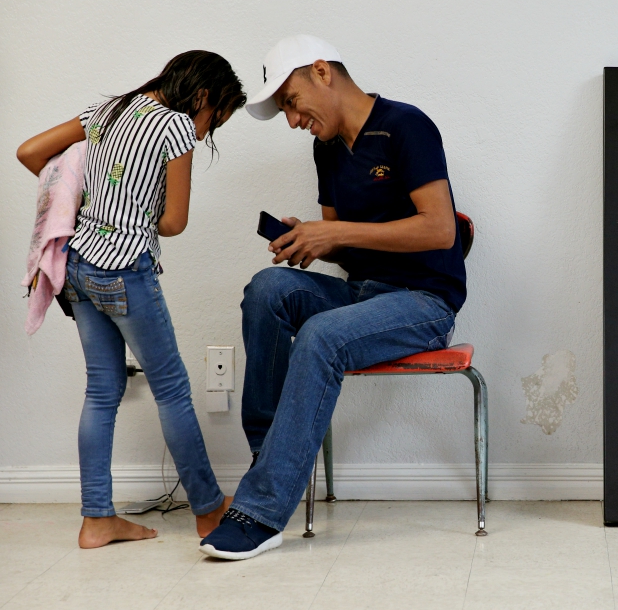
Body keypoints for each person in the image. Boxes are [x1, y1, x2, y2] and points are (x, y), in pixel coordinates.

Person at [199, 35, 465, 560]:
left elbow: (440, 230)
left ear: (322, 72)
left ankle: (261, 512)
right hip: (361, 294)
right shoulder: (325, 149)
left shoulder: (406, 126)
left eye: (292, 103)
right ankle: (266, 460)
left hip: (422, 302)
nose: (293, 121)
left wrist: (336, 234)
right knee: (269, 287)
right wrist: (312, 239)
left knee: (320, 336)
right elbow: (345, 244)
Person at [16, 51, 246, 547]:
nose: (206, 132)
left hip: (76, 267)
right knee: (173, 391)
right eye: (215, 118)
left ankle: (97, 518)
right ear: (203, 96)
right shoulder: (177, 128)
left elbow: (30, 152)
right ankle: (208, 510)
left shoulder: (107, 111)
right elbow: (174, 222)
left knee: (101, 391)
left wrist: (90, 200)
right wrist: (138, 206)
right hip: (125, 268)